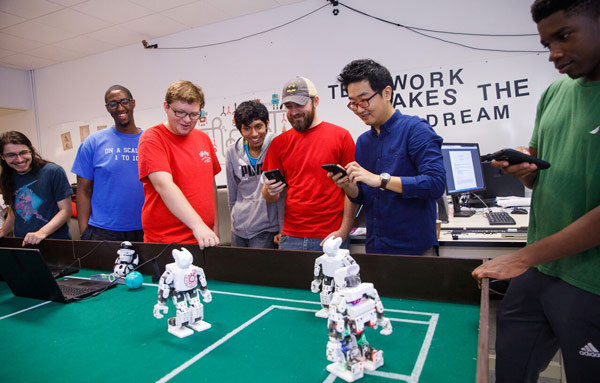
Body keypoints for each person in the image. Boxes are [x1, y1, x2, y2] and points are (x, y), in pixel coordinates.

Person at [472, 1, 600, 382]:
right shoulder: (554, 94)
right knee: (509, 369)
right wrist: (523, 172)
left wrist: (522, 257)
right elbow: (540, 177)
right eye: (546, 44)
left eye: (564, 36)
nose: (554, 54)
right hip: (540, 271)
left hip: (590, 281)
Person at [333, 59, 445, 255]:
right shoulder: (363, 142)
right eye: (353, 103)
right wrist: (347, 185)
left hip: (415, 252)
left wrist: (380, 180)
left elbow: (435, 184)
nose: (359, 109)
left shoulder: (416, 130)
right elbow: (363, 196)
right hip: (376, 249)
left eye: (364, 100)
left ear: (387, 93)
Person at [261, 76, 356, 251]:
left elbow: (353, 192)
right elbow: (270, 196)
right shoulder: (278, 144)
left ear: (316, 101)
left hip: (330, 236)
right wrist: (268, 191)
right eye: (289, 106)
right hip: (290, 237)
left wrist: (343, 231)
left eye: (299, 105)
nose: (294, 111)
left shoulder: (341, 137)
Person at [138, 80, 221, 249]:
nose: (187, 120)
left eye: (193, 114)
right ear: (166, 107)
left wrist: (214, 227)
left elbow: (210, 185)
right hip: (167, 242)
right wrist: (198, 225)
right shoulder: (152, 138)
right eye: (180, 112)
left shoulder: (203, 139)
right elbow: (163, 185)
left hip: (204, 238)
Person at [71, 85, 144, 242]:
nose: (120, 108)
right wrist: (84, 233)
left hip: (145, 228)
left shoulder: (149, 141)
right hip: (103, 231)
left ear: (133, 103)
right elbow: (83, 191)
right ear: (107, 108)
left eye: (124, 101)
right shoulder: (93, 142)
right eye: (113, 104)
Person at [226, 100, 284, 248]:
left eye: (259, 126)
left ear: (267, 123)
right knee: (238, 271)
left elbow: (283, 193)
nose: (254, 134)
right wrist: (233, 223)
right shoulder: (232, 152)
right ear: (240, 129)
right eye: (247, 128)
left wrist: (282, 228)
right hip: (238, 229)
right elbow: (232, 192)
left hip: (266, 229)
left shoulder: (277, 146)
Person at [0, 131, 73, 245]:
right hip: (23, 244)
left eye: (23, 152)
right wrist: (3, 231)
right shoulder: (7, 177)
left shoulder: (53, 172)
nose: (19, 159)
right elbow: (15, 210)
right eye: (11, 155)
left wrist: (41, 233)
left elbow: (66, 211)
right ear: (3, 157)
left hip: (55, 244)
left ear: (31, 150)